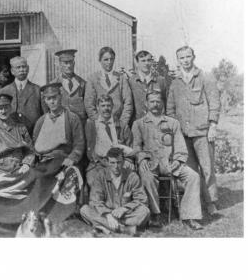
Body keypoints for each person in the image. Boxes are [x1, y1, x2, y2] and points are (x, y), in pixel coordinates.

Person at [133, 91, 203, 230]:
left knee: (193, 176)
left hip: (171, 163)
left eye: (158, 101)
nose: (155, 104)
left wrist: (177, 161)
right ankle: (155, 214)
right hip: (151, 163)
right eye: (152, 101)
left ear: (163, 103)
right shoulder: (139, 124)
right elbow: (136, 146)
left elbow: (181, 147)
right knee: (146, 176)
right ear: (146, 104)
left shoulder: (173, 123)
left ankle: (189, 216)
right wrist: (142, 160)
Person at [166, 46, 220, 216]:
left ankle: (211, 202)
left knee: (207, 168)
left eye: (188, 57)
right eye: (182, 58)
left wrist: (213, 125)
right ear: (178, 60)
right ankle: (194, 205)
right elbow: (170, 108)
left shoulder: (205, 77)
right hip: (183, 134)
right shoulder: (175, 82)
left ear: (194, 57)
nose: (186, 60)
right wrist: (175, 131)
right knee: (190, 170)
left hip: (202, 131)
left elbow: (214, 102)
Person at [80, 147, 150, 236]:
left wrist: (125, 208)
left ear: (124, 161)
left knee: (145, 211)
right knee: (84, 210)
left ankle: (105, 228)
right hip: (107, 215)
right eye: (112, 163)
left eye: (119, 162)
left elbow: (142, 200)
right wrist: (108, 215)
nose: (116, 166)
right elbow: (95, 201)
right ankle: (126, 229)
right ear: (107, 162)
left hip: (126, 216)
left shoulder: (132, 176)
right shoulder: (100, 176)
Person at [85, 94, 134, 188]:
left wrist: (128, 160)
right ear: (97, 107)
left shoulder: (122, 125)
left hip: (119, 163)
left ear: (112, 106)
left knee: (126, 183)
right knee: (94, 181)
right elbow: (89, 149)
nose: (106, 108)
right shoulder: (91, 124)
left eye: (108, 105)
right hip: (98, 164)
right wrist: (101, 161)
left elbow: (130, 145)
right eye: (103, 106)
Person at [32, 83, 84, 171]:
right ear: (45, 100)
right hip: (44, 162)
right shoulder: (41, 121)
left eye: (54, 97)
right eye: (49, 99)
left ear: (61, 97)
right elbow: (35, 144)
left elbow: (79, 143)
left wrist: (72, 158)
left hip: (65, 161)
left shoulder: (72, 118)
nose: (52, 102)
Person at [0, 93, 35, 174]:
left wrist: (26, 164)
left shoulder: (20, 128)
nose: (4, 111)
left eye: (6, 107)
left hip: (19, 168)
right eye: (0, 108)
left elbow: (30, 151)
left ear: (10, 108)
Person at [84, 46, 133, 127]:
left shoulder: (121, 78)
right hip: (99, 124)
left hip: (118, 123)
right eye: (106, 59)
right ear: (100, 60)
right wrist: (99, 122)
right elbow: (89, 104)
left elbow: (128, 103)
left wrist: (122, 123)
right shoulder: (92, 79)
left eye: (112, 59)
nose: (109, 62)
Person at [0, 56, 42, 134]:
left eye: (24, 67)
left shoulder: (38, 90)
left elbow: (45, 116)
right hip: (11, 136)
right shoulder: (4, 91)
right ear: (12, 71)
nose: (21, 70)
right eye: (18, 67)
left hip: (34, 134)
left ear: (28, 69)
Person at [51, 49, 87, 128]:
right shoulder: (53, 84)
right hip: (61, 125)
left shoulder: (82, 83)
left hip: (80, 125)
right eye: (65, 63)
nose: (69, 66)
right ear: (60, 64)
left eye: (71, 62)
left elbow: (87, 106)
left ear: (74, 63)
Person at [128, 50, 168, 121]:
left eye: (149, 60)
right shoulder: (131, 81)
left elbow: (166, 103)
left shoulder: (160, 80)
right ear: (137, 63)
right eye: (143, 61)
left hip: (157, 123)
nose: (146, 63)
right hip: (138, 124)